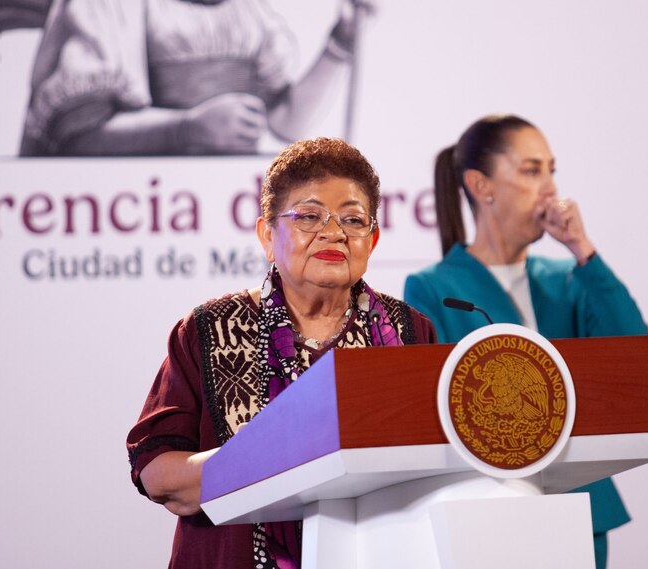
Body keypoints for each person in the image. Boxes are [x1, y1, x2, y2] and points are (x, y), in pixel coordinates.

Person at [127, 137, 437, 568]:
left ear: (373, 240)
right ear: (267, 235)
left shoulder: (408, 331)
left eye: (353, 219)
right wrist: (279, 454)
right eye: (310, 216)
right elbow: (159, 474)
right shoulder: (208, 329)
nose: (334, 232)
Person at [403, 114, 648, 569]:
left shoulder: (569, 279)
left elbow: (635, 358)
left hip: (578, 508)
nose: (550, 188)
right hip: (486, 513)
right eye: (532, 171)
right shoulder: (432, 287)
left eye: (552, 171)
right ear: (481, 186)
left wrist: (584, 251)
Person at [20, 0, 370, 156]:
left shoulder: (247, 11)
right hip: (136, 217)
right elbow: (77, 136)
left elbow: (284, 122)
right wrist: (186, 128)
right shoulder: (107, 6)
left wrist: (339, 44)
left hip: (215, 217)